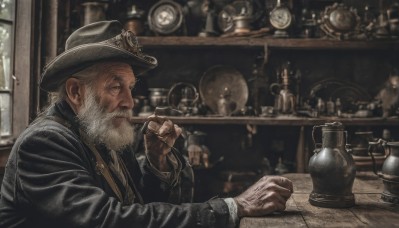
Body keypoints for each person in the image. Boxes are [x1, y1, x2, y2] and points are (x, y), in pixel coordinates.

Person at [0, 20, 293, 228]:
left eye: (130, 87)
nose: (130, 101)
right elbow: (109, 220)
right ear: (76, 92)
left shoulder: (100, 129)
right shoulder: (44, 143)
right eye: (116, 87)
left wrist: (155, 162)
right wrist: (234, 207)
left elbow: (140, 206)